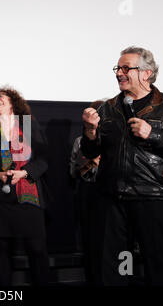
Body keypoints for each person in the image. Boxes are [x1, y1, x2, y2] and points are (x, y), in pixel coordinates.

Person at [81, 46, 163, 285]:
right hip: (114, 198)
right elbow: (91, 151)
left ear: (146, 73)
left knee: (156, 263)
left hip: (153, 197)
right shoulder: (108, 108)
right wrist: (91, 132)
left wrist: (153, 134)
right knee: (118, 263)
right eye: (117, 68)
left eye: (126, 68)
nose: (119, 73)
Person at [0, 87, 50, 286]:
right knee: (0, 250)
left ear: (13, 103)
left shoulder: (29, 125)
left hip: (28, 195)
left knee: (37, 249)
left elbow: (44, 159)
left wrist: (25, 173)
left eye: (1, 98)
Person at [69, 99, 104, 285]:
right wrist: (92, 162)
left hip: (113, 196)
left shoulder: (117, 139)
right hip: (89, 194)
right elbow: (74, 172)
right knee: (91, 244)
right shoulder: (80, 141)